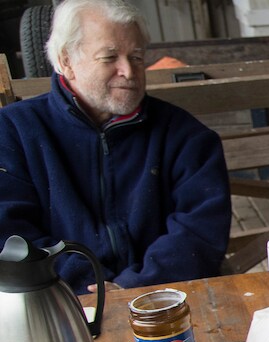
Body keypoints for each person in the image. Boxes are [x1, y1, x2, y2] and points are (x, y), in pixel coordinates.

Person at [0, 0, 231, 294]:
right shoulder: (12, 132)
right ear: (66, 60)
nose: (128, 71)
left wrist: (133, 288)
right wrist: (88, 284)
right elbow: (10, 235)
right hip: (56, 305)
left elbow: (199, 231)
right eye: (109, 57)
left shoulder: (186, 136)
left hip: (163, 302)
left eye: (136, 57)